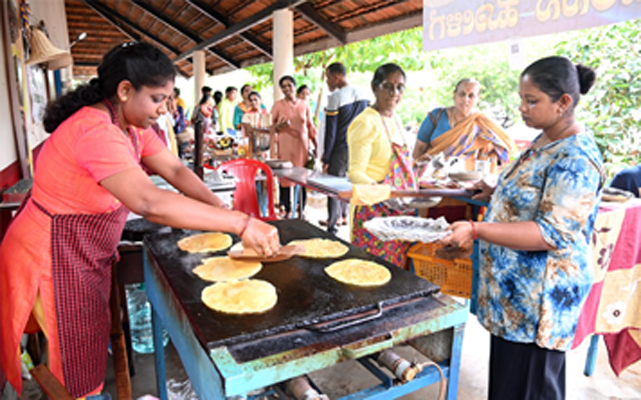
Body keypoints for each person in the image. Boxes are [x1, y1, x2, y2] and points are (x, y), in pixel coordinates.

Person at [0, 42, 280, 399]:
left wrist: (224, 212)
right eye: (157, 99)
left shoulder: (130, 126)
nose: (164, 110)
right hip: (51, 255)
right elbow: (147, 201)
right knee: (71, 358)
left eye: (168, 99)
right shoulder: (95, 130)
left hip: (80, 250)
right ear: (125, 90)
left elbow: (176, 168)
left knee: (83, 345)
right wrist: (241, 224)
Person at [441, 56, 604, 400]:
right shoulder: (544, 140)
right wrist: (496, 192)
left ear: (564, 103)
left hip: (537, 308)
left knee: (531, 390)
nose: (522, 108)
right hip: (513, 302)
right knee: (508, 388)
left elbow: (551, 233)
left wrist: (477, 229)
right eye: (522, 98)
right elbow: (533, 195)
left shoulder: (575, 157)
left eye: (532, 101)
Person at [412, 78, 516, 222]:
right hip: (432, 183)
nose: (465, 99)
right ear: (454, 95)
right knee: (428, 227)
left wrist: (490, 153)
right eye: (462, 94)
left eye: (471, 95)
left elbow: (505, 145)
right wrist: (414, 178)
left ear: (477, 99)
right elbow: (419, 149)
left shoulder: (481, 123)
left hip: (464, 186)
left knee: (460, 228)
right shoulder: (436, 116)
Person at [347, 63, 416, 269]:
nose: (394, 93)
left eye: (400, 87)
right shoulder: (366, 122)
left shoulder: (395, 119)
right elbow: (355, 172)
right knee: (371, 272)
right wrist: (385, 194)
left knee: (395, 273)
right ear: (374, 87)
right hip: (372, 212)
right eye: (388, 86)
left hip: (398, 212)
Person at [321, 62, 369, 234]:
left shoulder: (335, 97)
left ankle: (332, 226)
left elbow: (331, 132)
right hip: (360, 149)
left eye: (328, 78)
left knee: (334, 187)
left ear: (337, 77)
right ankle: (356, 225)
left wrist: (326, 158)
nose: (327, 82)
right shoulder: (364, 94)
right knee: (356, 187)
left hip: (341, 149)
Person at [271, 75, 317, 218]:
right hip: (285, 145)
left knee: (302, 177)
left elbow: (310, 126)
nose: (287, 89)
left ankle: (301, 208)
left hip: (302, 147)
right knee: (285, 176)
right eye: (283, 87)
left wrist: (317, 147)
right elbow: (270, 127)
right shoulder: (278, 105)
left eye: (289, 85)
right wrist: (280, 126)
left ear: (295, 86)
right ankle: (286, 208)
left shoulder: (304, 104)